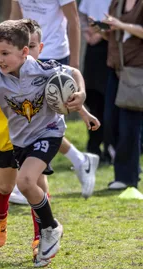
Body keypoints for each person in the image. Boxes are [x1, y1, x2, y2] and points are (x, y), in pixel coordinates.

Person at [0, 20, 88, 266]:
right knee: (14, 185)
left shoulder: (44, 69)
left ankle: (47, 231)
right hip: (17, 143)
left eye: (5, 53)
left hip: (49, 133)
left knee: (28, 180)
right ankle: (45, 229)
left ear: (24, 52)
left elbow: (74, 72)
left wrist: (81, 95)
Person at [10, 0, 100, 199]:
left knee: (39, 121)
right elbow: (13, 19)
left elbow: (74, 21)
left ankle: (32, 183)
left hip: (53, 55)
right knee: (31, 119)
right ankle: (78, 161)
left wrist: (74, 66)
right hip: (25, 56)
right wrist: (8, 53)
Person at [96, 0, 143, 190]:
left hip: (136, 71)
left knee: (129, 125)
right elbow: (115, 35)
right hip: (115, 69)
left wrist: (121, 24)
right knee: (110, 122)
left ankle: (127, 177)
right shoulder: (117, 3)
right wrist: (100, 29)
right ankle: (130, 169)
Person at [79, 0, 112, 164]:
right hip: (92, 49)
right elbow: (83, 15)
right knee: (93, 101)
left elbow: (119, 21)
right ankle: (93, 149)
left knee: (109, 103)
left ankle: (109, 149)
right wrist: (88, 32)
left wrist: (99, 33)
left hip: (109, 46)